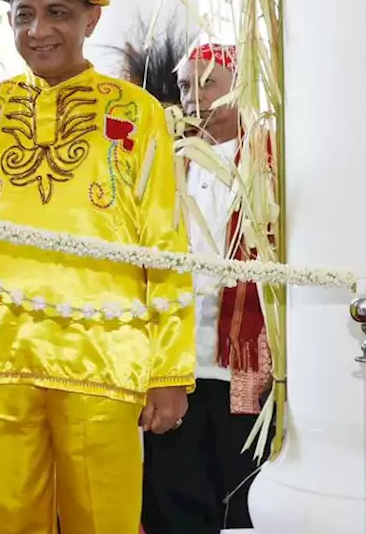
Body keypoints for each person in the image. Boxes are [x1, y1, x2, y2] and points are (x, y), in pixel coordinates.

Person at [0, 0, 195, 534]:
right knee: (3, 520)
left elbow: (165, 246)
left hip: (105, 361)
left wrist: (170, 371)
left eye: (57, 13)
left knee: (106, 521)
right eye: (24, 16)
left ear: (91, 18)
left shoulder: (136, 114)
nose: (38, 30)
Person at [141, 43, 272, 534]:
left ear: (238, 86)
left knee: (243, 487)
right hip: (179, 358)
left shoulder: (271, 159)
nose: (191, 96)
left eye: (207, 82)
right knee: (176, 484)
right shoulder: (167, 165)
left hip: (246, 361)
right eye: (182, 85)